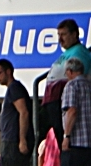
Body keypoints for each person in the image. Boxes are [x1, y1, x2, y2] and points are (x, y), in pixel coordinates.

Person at [38, 19, 91, 149]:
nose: (60, 39)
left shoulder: (79, 52)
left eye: (63, 34)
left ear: (74, 35)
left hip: (61, 100)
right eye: (58, 35)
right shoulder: (67, 53)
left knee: (62, 138)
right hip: (53, 100)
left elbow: (76, 77)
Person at [57, 57, 91, 166]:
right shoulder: (89, 85)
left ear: (70, 71)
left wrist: (67, 137)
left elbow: (72, 111)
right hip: (89, 144)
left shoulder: (72, 86)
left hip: (75, 143)